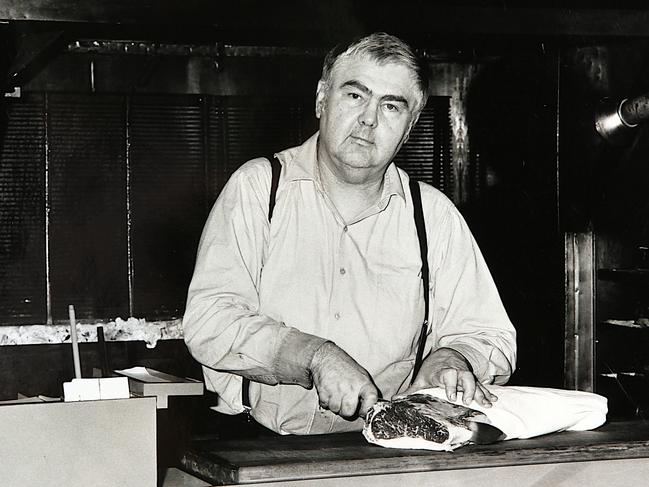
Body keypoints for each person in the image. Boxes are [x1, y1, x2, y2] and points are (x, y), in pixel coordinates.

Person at [182, 32, 516, 435]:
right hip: (259, 445)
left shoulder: (434, 216)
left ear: (409, 127)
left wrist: (454, 358)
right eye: (355, 96)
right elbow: (210, 320)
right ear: (322, 99)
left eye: (391, 106)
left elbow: (489, 333)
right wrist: (314, 357)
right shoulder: (258, 189)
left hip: (385, 453)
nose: (369, 119)